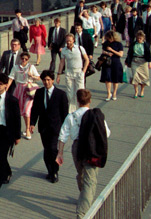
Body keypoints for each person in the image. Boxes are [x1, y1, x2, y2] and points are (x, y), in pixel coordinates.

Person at [56, 90, 110, 218]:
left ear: (78, 101)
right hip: (92, 149)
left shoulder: (71, 116)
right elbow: (107, 133)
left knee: (81, 173)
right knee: (90, 181)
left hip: (77, 148)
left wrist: (60, 153)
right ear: (90, 100)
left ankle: (83, 196)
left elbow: (62, 136)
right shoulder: (96, 116)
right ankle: (82, 212)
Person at [28, 70, 69, 183]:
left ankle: (55, 171)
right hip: (44, 127)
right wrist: (32, 123)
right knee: (47, 150)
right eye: (44, 80)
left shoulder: (61, 94)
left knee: (52, 149)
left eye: (48, 80)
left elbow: (65, 113)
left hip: (56, 127)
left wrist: (65, 128)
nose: (46, 82)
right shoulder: (39, 93)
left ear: (52, 80)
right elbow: (35, 109)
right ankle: (49, 170)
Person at [56, 33, 89, 113]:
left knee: (80, 92)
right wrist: (58, 74)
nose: (68, 42)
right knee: (70, 94)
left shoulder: (79, 48)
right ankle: (71, 112)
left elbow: (87, 60)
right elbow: (62, 63)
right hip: (69, 73)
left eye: (70, 41)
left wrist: (83, 72)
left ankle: (82, 110)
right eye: (67, 41)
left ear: (73, 40)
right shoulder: (64, 50)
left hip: (79, 72)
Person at [11, 52, 40, 139]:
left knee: (27, 111)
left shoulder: (31, 67)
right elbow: (11, 78)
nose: (24, 60)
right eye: (22, 59)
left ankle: (27, 129)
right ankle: (20, 128)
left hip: (28, 90)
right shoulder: (16, 67)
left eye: (26, 59)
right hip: (19, 89)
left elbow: (38, 77)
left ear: (28, 60)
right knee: (20, 111)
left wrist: (32, 76)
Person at [125, 30, 151, 98]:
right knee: (135, 77)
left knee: (143, 77)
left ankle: (142, 90)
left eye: (140, 38)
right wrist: (127, 61)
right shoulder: (133, 44)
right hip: (135, 61)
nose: (139, 39)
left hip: (143, 62)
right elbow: (129, 53)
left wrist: (149, 62)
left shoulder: (146, 45)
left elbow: (149, 54)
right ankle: (136, 91)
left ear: (143, 38)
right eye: (138, 38)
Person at [99, 30, 124, 101]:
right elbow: (103, 51)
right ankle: (108, 93)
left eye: (109, 38)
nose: (108, 40)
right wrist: (107, 53)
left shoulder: (119, 44)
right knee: (107, 78)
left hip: (116, 62)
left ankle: (114, 93)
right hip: (107, 62)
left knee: (115, 79)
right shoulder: (105, 43)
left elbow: (121, 54)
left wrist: (112, 50)